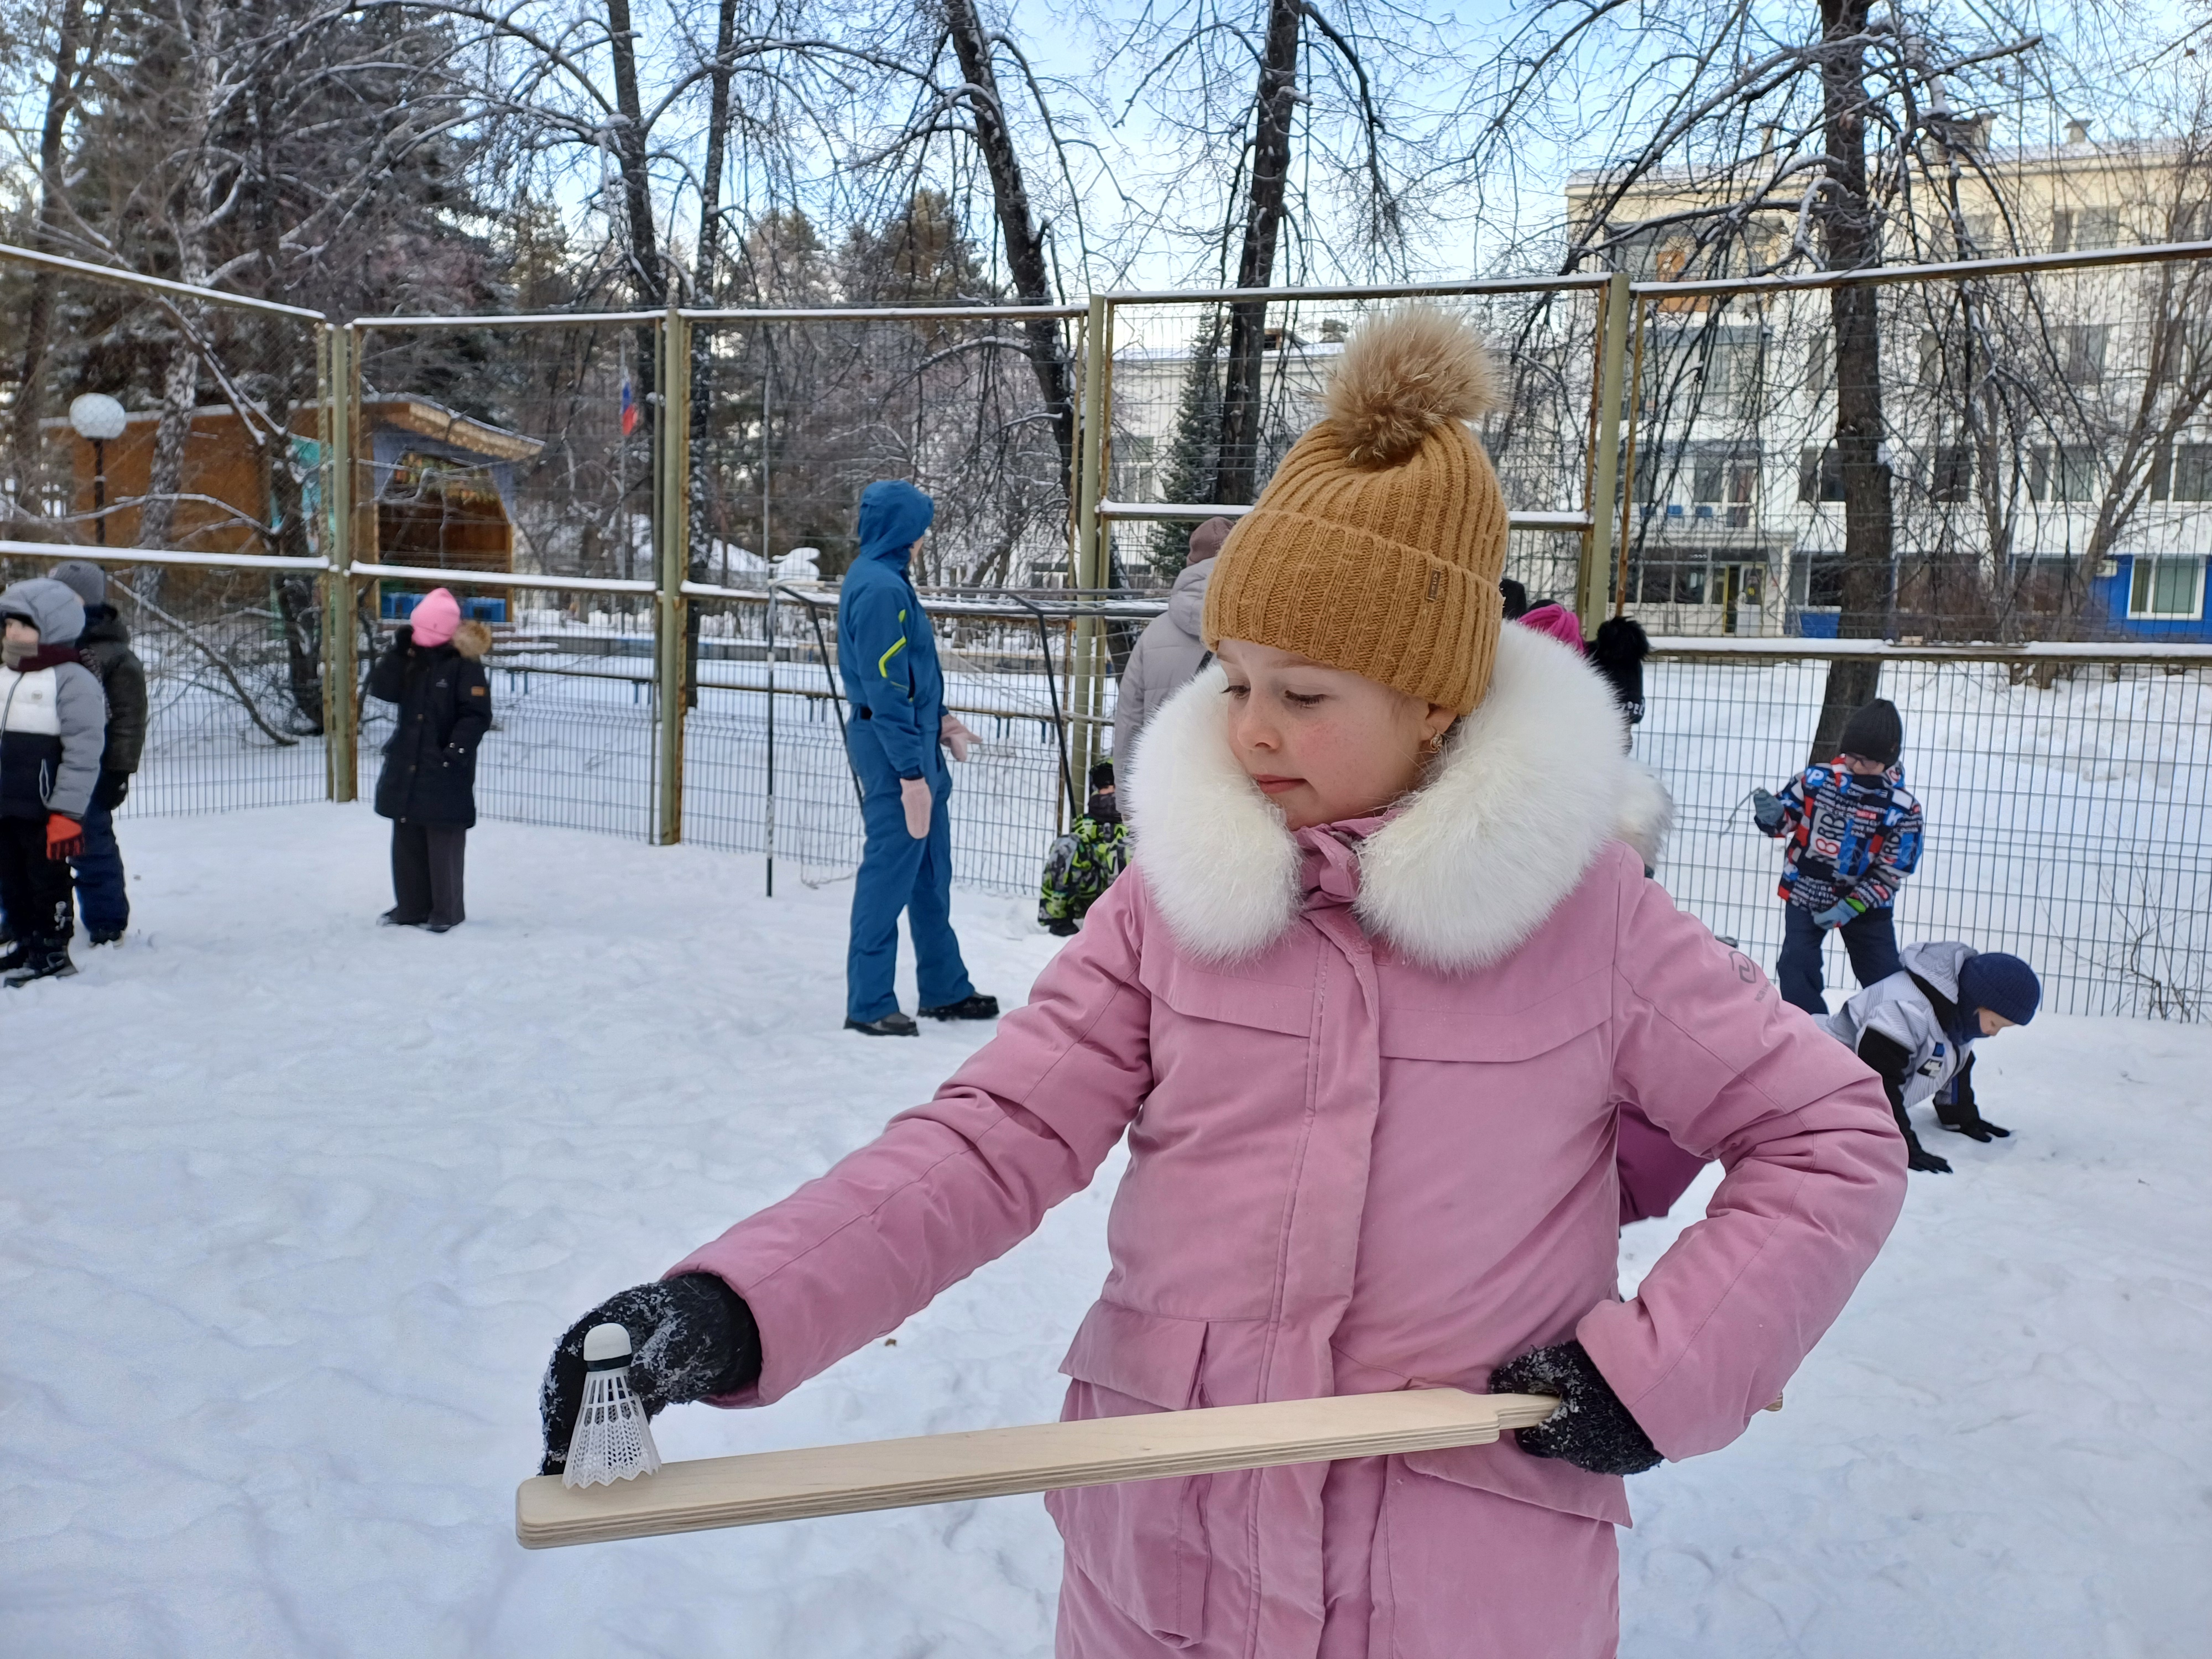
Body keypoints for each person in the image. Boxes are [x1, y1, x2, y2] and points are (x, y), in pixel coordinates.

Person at [536, 308, 1907, 1658]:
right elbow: (994, 1135)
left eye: (1303, 696)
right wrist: (737, 1305)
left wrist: (1657, 1369)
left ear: (1436, 702)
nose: (1250, 729)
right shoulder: (1171, 906)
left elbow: (1828, 1132)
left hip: (1457, 1589)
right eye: (1235, 680)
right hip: (1162, 1571)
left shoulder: (1586, 918)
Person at [837, 479, 996, 1036]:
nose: (925, 537)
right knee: (888, 876)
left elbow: (910, 674)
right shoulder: (880, 589)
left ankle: (944, 987)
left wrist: (942, 720)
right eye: (921, 527)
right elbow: (885, 689)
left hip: (916, 742)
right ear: (904, 530)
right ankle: (869, 1002)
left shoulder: (888, 579)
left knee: (930, 875)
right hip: (894, 752)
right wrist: (909, 774)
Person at [1753, 698, 1923, 1016]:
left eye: (1869, 762)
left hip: (1866, 905)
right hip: (1806, 891)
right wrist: (1772, 816)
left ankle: (1899, 1028)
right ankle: (1810, 1029)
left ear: (1889, 760)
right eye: (1853, 757)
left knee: (1882, 975)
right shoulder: (1816, 781)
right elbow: (1786, 821)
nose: (1857, 766)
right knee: (1795, 964)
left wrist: (1852, 906)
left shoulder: (1902, 808)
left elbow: (1892, 871)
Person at [1822, 941, 2039, 1175]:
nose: (1994, 1033)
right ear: (1975, 1002)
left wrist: (1960, 1116)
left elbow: (1955, 1066)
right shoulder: (1903, 1011)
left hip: (1846, 1098)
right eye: (1995, 1024)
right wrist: (1901, 1145)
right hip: (1818, 1088)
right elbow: (1878, 1085)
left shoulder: (1957, 1018)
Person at [0, 578, 105, 985]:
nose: (12, 632)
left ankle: (52, 950)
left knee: (46, 882)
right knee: (12, 880)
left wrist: (67, 811)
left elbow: (84, 750)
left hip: (46, 807)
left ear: (51, 625)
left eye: (22, 625)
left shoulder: (72, 678)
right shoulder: (6, 672)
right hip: (7, 802)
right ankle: (26, 943)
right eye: (9, 624)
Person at [368, 588, 491, 933]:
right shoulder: (413, 657)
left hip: (445, 767)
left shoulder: (464, 664)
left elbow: (476, 715)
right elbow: (384, 689)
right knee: (407, 835)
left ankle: (445, 912)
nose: (419, 637)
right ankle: (410, 907)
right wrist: (398, 651)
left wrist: (454, 753)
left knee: (442, 840)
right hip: (408, 760)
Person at [49, 560, 146, 945]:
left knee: (90, 845)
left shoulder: (113, 655)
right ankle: (32, 916)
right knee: (32, 848)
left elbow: (128, 720)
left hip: (91, 768)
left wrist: (119, 771)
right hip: (41, 766)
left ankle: (107, 920)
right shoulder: (41, 641)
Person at [1112, 515, 1232, 761]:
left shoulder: (1154, 633)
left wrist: (1126, 787)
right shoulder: (1258, 629)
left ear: (1190, 564)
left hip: (1163, 773)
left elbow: (1129, 722)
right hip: (1230, 777)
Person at [1038, 761, 1129, 936]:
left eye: (1116, 787)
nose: (1111, 792)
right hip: (1089, 896)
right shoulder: (1085, 825)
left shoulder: (1137, 822)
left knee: (1125, 849)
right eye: (1105, 787)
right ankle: (1058, 920)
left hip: (1127, 901)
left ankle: (1125, 922)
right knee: (1066, 846)